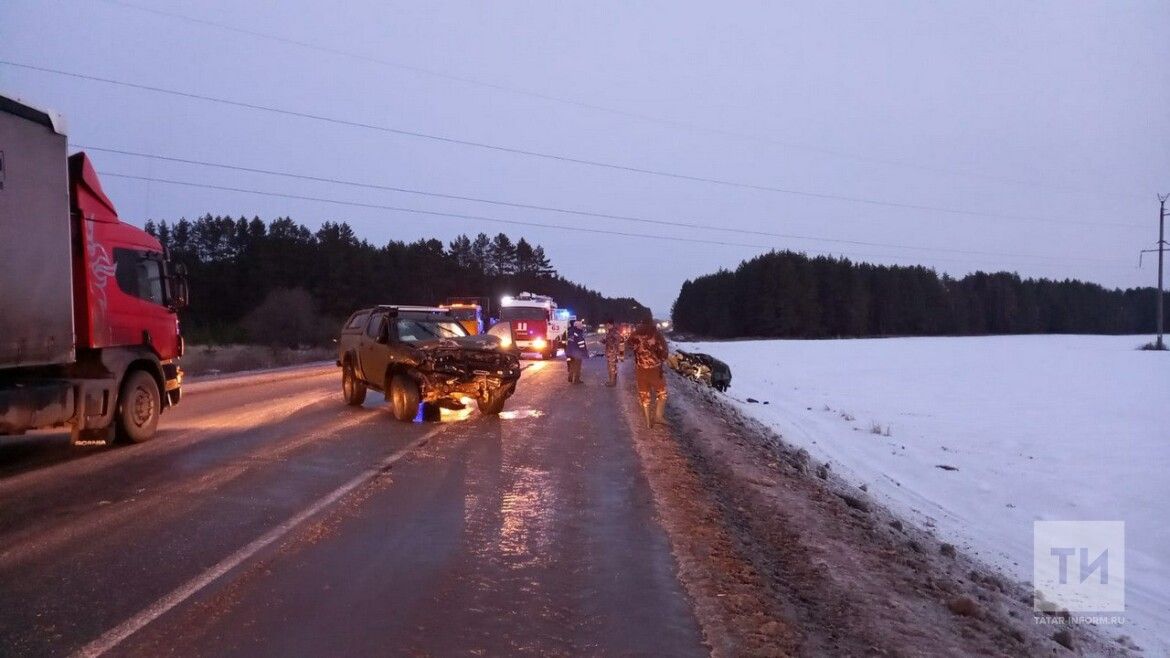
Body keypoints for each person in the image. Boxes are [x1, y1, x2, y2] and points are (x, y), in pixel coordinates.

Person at [627, 317, 669, 427]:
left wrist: (637, 354)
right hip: (655, 369)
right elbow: (664, 351)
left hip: (640, 370)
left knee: (644, 395)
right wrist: (661, 358)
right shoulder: (656, 334)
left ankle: (647, 421)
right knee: (662, 393)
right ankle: (658, 416)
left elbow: (628, 346)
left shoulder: (635, 335)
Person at [601, 318, 624, 386]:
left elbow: (619, 341)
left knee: (612, 368)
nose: (606, 326)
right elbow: (609, 340)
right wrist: (604, 341)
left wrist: (620, 354)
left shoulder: (614, 332)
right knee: (610, 367)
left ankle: (613, 382)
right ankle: (611, 381)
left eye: (607, 325)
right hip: (610, 352)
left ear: (610, 324)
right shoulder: (610, 332)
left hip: (612, 352)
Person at [565, 319, 589, 384]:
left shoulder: (570, 332)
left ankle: (570, 377)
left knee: (572, 365)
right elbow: (581, 343)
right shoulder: (578, 333)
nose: (582, 327)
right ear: (578, 326)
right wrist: (584, 352)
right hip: (577, 353)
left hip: (570, 351)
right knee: (577, 366)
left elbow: (568, 342)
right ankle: (576, 379)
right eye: (581, 326)